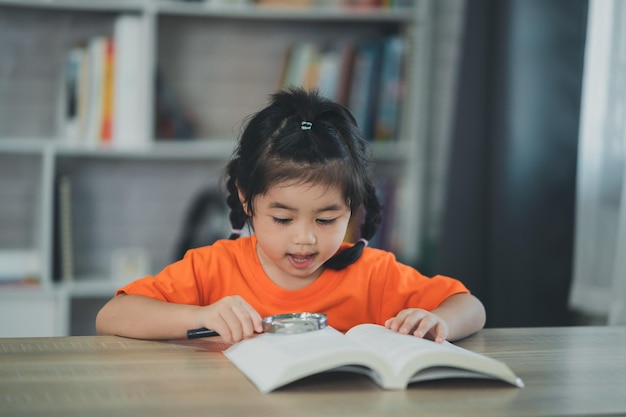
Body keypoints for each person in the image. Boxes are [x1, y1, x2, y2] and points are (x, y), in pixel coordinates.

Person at [96, 88, 486, 344]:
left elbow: (470, 306)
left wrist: (442, 323)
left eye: (327, 219)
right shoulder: (212, 267)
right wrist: (201, 315)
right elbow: (113, 315)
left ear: (352, 207)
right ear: (247, 201)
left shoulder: (375, 274)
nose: (305, 239)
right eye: (283, 219)